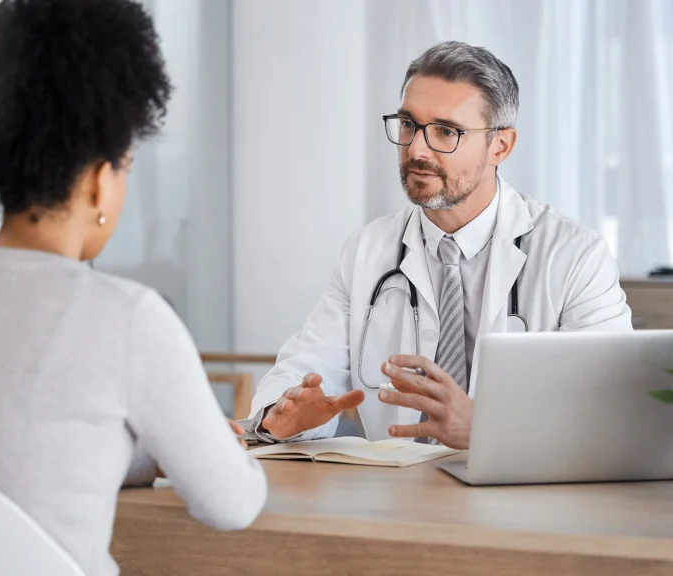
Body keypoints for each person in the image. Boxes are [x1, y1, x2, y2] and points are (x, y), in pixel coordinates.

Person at [0, 1, 266, 575]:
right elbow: (232, 504)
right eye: (126, 167)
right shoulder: (126, 315)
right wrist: (211, 451)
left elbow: (19, 444)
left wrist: (155, 454)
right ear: (98, 183)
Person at [243, 41, 632, 449]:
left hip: (521, 485)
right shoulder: (366, 252)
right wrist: (281, 416)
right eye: (408, 125)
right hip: (399, 486)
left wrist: (486, 430)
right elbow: (305, 368)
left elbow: (613, 413)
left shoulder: (575, 258)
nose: (416, 149)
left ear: (500, 146)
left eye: (446, 131)